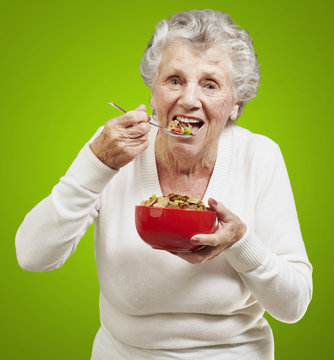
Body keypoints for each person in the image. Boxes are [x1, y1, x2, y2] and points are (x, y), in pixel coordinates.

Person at [15, 9, 312, 360]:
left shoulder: (260, 156)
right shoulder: (114, 148)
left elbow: (293, 306)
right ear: (153, 94)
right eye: (174, 80)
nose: (188, 99)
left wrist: (240, 242)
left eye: (210, 84)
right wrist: (96, 165)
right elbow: (32, 256)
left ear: (235, 104)